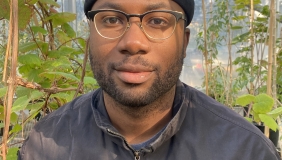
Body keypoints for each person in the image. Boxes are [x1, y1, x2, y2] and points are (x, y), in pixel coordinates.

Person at [18, 0, 280, 159]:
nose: (133, 42)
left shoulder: (243, 150)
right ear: (90, 36)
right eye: (111, 19)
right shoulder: (46, 145)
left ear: (184, 42)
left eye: (157, 20)